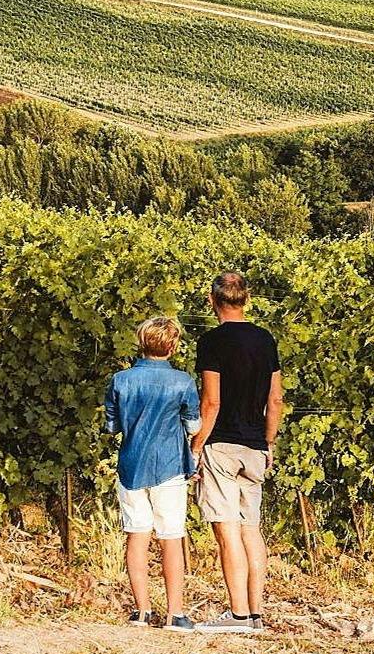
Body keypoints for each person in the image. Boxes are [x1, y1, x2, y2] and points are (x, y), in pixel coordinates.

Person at [191, 271, 283, 634]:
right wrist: (269, 441)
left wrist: (196, 445)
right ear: (246, 299)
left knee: (226, 530)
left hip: (222, 445)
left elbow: (211, 401)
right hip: (255, 446)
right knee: (251, 530)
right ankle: (256, 612)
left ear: (214, 301)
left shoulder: (212, 341)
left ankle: (238, 615)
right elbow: (275, 399)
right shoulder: (265, 339)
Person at [104, 316, 201, 631]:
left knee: (137, 535)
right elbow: (193, 424)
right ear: (173, 346)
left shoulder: (121, 380)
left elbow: (112, 425)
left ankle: (142, 611)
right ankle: (175, 613)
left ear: (141, 343)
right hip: (170, 465)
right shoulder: (183, 381)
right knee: (171, 537)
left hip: (131, 465)